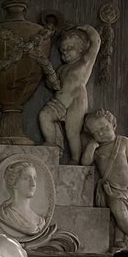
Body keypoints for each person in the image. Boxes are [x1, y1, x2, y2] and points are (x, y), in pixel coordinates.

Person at [82, 109, 128, 249]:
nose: (101, 133)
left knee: (125, 215)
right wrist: (91, 147)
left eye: (104, 128)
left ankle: (119, 240)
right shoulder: (98, 150)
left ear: (113, 125)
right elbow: (85, 163)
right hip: (112, 188)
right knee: (120, 213)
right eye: (96, 132)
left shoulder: (123, 141)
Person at [39, 25, 101, 164]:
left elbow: (96, 43)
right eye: (62, 51)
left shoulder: (84, 64)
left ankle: (74, 159)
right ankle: (52, 144)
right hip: (59, 102)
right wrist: (51, 81)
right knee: (44, 116)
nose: (65, 53)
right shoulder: (61, 69)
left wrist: (88, 29)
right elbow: (54, 86)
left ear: (81, 50)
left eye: (69, 49)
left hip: (76, 101)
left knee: (72, 132)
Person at [0, 161, 46, 239]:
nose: (33, 184)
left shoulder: (40, 221)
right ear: (14, 183)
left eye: (35, 178)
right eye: (26, 178)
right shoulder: (4, 214)